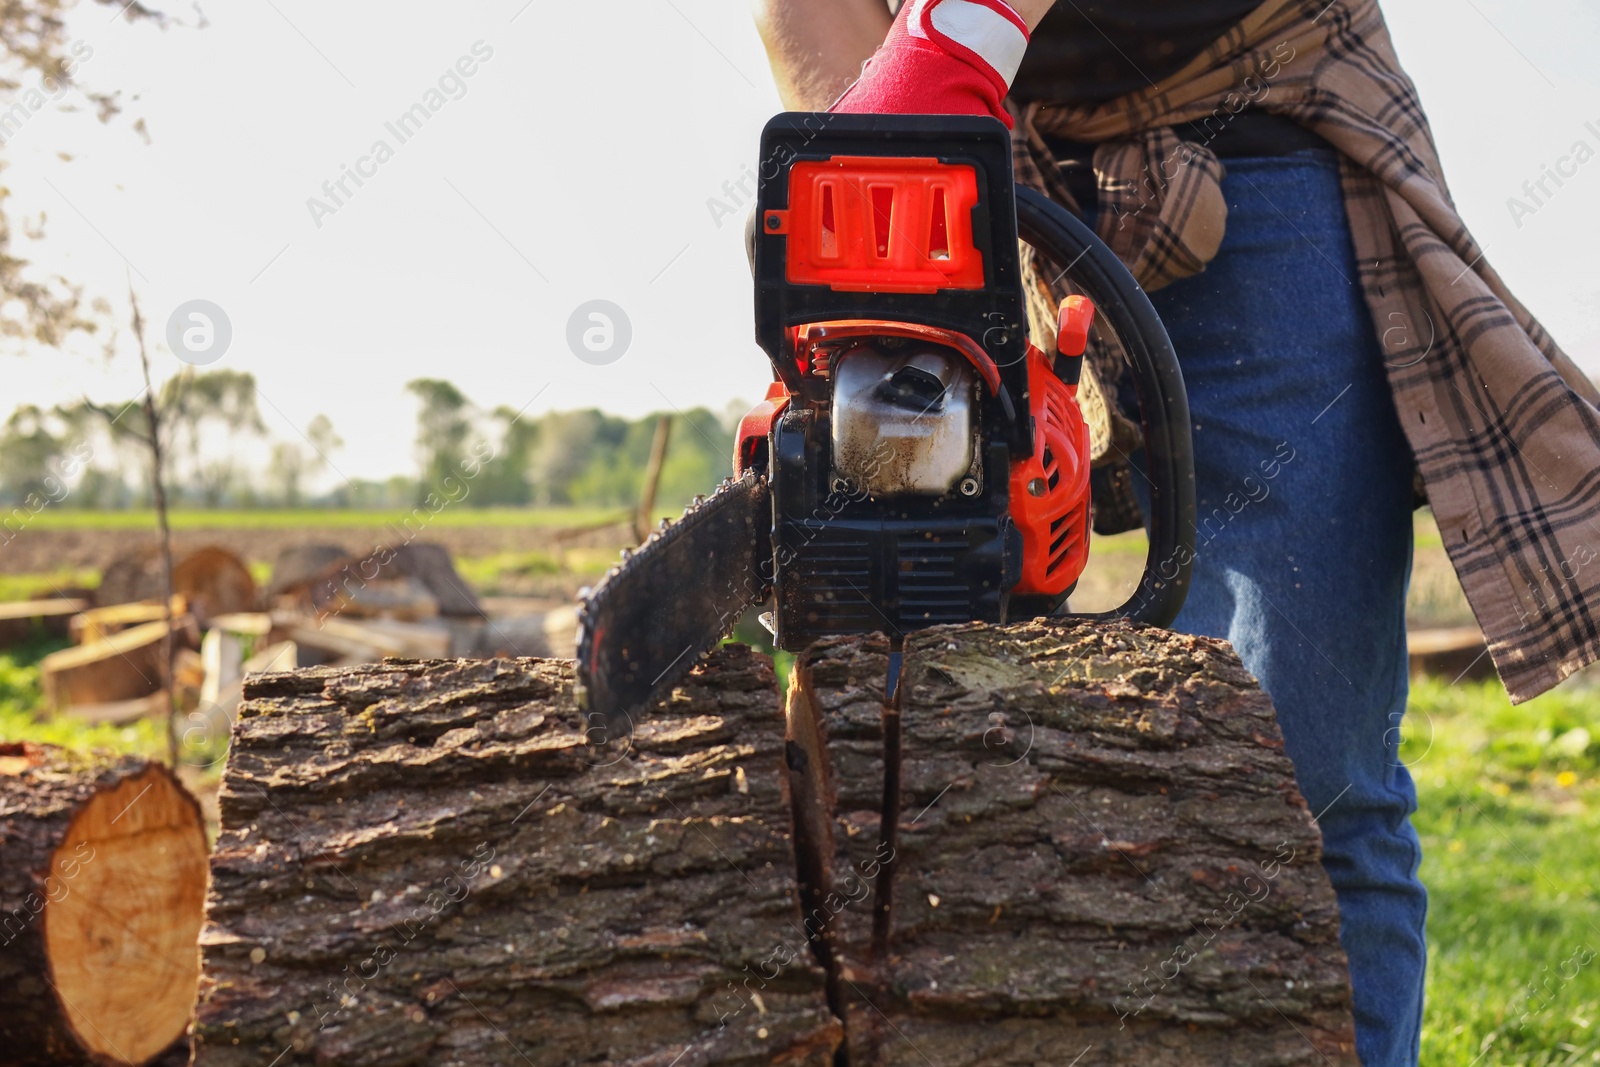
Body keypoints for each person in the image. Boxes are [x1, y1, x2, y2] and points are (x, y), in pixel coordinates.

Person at [751, 2, 1600, 1064]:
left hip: (1255, 119)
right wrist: (878, 196)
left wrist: (952, 40)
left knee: (1308, 773)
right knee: (940, 759)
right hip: (1010, 151)